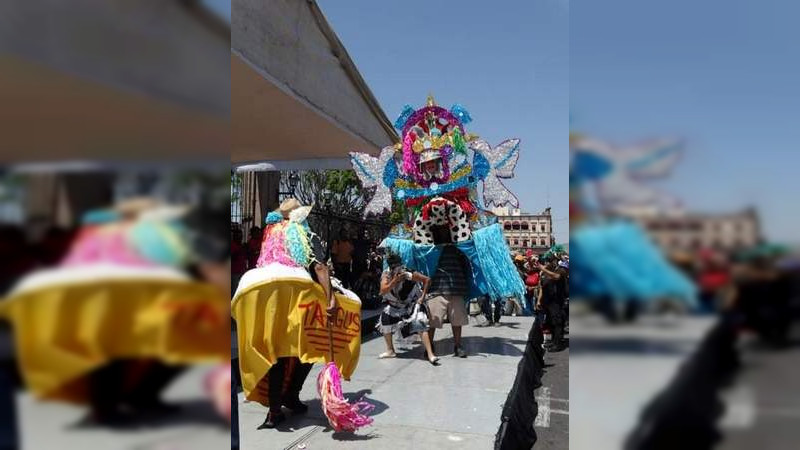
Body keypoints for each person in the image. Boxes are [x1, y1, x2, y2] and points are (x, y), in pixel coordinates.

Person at [258, 199, 336, 430]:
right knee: (309, 348)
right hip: (299, 299)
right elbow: (320, 267)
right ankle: (291, 394)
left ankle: (274, 412)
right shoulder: (304, 234)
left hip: (270, 300)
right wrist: (330, 297)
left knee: (278, 353)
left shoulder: (270, 235)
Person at [377, 253, 439, 365]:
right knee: (385, 321)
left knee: (420, 324)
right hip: (394, 306)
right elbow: (382, 291)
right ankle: (390, 350)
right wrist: (394, 281)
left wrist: (422, 296)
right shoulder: (386, 275)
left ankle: (430, 354)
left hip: (411, 305)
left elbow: (427, 280)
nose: (397, 269)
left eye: (398, 265)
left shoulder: (407, 273)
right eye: (394, 266)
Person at [426, 226, 470, 358]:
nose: (444, 233)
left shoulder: (460, 248)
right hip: (436, 289)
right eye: (442, 230)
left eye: (446, 230)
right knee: (432, 321)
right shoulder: (431, 248)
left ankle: (458, 346)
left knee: (457, 321)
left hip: (457, 288)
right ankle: (429, 346)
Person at [537, 256, 566, 351]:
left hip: (556, 301)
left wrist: (543, 269)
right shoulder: (544, 273)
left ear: (554, 261)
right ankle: (552, 341)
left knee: (557, 322)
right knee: (550, 322)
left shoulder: (560, 270)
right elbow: (542, 287)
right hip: (547, 302)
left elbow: (556, 277)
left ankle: (557, 344)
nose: (546, 263)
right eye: (545, 262)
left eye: (548, 261)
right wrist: (539, 300)